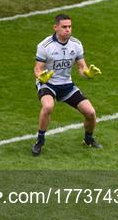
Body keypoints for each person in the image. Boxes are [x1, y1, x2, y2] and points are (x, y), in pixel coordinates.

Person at [32, 13, 102, 156]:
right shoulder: (45, 46)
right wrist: (41, 77)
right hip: (49, 85)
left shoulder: (76, 44)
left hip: (66, 85)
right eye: (64, 27)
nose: (68, 30)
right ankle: (39, 142)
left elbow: (82, 67)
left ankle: (88, 139)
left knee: (91, 113)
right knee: (48, 106)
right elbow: (37, 68)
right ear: (55, 27)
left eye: (70, 26)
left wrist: (87, 73)